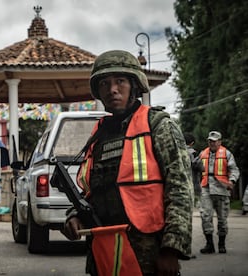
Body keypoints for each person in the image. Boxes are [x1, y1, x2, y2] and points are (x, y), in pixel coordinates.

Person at [61, 50, 193, 276]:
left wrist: (172, 249)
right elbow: (93, 189)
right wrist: (74, 215)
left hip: (148, 251)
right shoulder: (98, 135)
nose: (112, 89)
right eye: (104, 83)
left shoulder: (158, 126)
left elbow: (180, 188)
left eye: (120, 81)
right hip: (104, 249)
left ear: (134, 85)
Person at [199, 131, 240, 254]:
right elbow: (196, 170)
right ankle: (209, 244)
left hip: (221, 189)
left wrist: (232, 181)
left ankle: (221, 244)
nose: (211, 143)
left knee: (222, 219)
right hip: (206, 188)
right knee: (206, 216)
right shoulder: (202, 154)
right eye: (210, 141)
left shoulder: (227, 154)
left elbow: (234, 170)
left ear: (220, 142)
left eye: (214, 141)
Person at [184, 132, 204, 208]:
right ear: (192, 143)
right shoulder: (193, 153)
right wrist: (200, 158)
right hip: (192, 185)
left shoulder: (176, 151)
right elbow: (201, 168)